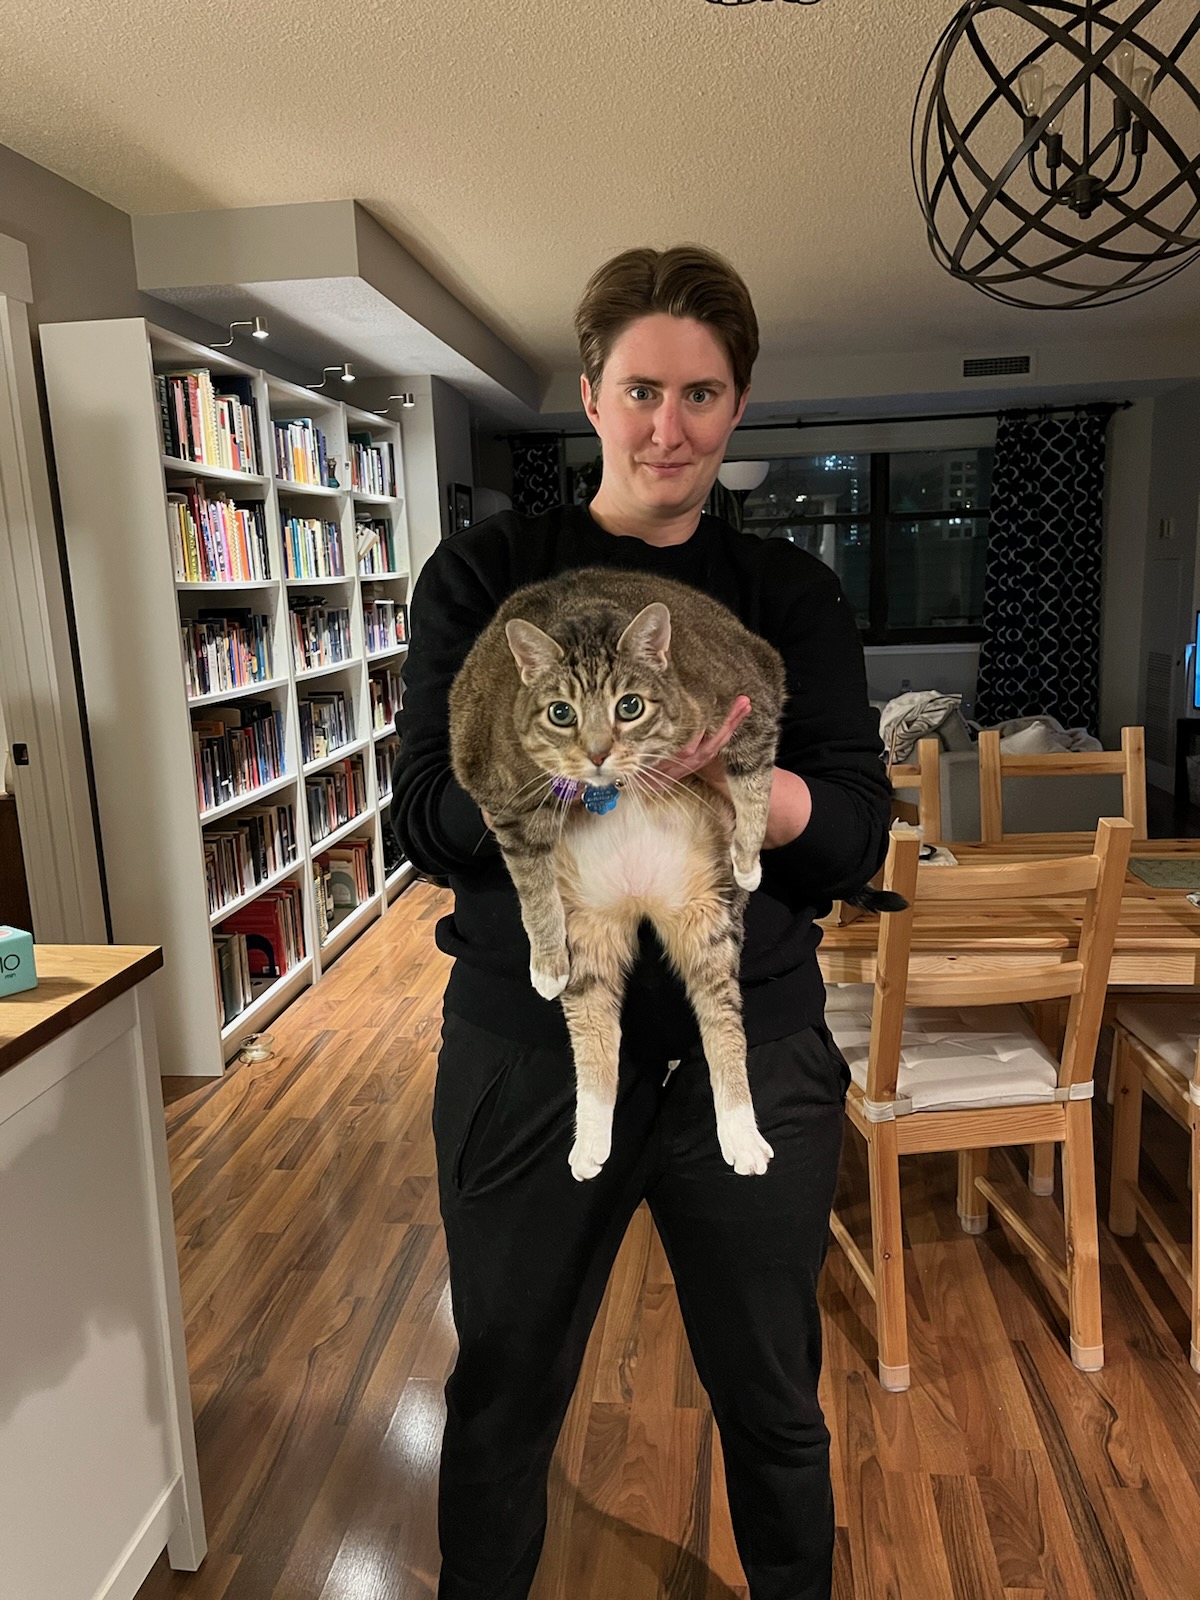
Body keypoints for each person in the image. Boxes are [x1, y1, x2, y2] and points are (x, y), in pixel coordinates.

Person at [391, 244, 891, 1600]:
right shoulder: (485, 581)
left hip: (752, 1057)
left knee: (776, 1405)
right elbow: (422, 820)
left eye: (704, 394)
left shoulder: (792, 595)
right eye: (641, 389)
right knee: (501, 1398)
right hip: (530, 1051)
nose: (670, 426)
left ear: (739, 406)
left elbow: (857, 834)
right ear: (591, 390)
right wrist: (586, 775)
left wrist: (753, 792)